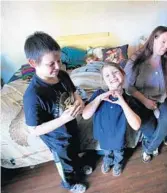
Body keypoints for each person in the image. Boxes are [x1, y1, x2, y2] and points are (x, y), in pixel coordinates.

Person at [23, 32, 92, 193]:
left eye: (59, 61)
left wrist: (79, 101)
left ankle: (79, 167)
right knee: (65, 162)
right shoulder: (33, 95)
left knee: (75, 150)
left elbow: (74, 93)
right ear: (33, 63)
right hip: (56, 139)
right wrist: (63, 119)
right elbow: (33, 130)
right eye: (51, 64)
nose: (57, 67)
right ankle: (69, 183)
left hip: (71, 127)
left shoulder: (62, 75)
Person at [124, 26, 167, 163]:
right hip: (141, 98)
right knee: (152, 130)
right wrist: (144, 100)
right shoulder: (136, 59)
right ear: (153, 39)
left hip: (164, 96)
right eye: (163, 42)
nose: (166, 46)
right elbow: (128, 86)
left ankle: (148, 149)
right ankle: (154, 141)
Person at [82, 62, 141, 176]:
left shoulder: (129, 99)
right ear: (104, 80)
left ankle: (118, 163)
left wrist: (122, 102)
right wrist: (99, 98)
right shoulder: (99, 94)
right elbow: (85, 115)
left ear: (123, 74)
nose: (112, 77)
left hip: (119, 137)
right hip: (103, 135)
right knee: (107, 152)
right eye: (107, 75)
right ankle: (107, 161)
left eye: (115, 72)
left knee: (119, 153)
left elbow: (136, 125)